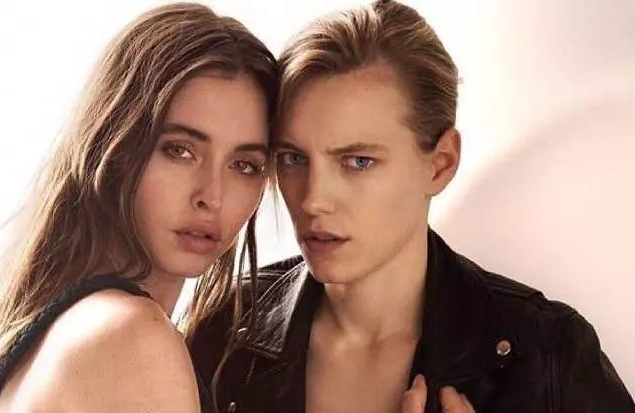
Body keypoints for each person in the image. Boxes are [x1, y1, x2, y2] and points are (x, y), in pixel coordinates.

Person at [188, 1, 635, 412]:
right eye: (293, 159)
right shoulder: (225, 330)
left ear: (440, 164)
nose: (313, 199)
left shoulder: (548, 353)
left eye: (358, 161)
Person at [0, 3, 276, 412]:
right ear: (115, 145)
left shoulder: (65, 328)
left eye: (244, 165)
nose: (212, 196)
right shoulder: (130, 338)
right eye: (179, 151)